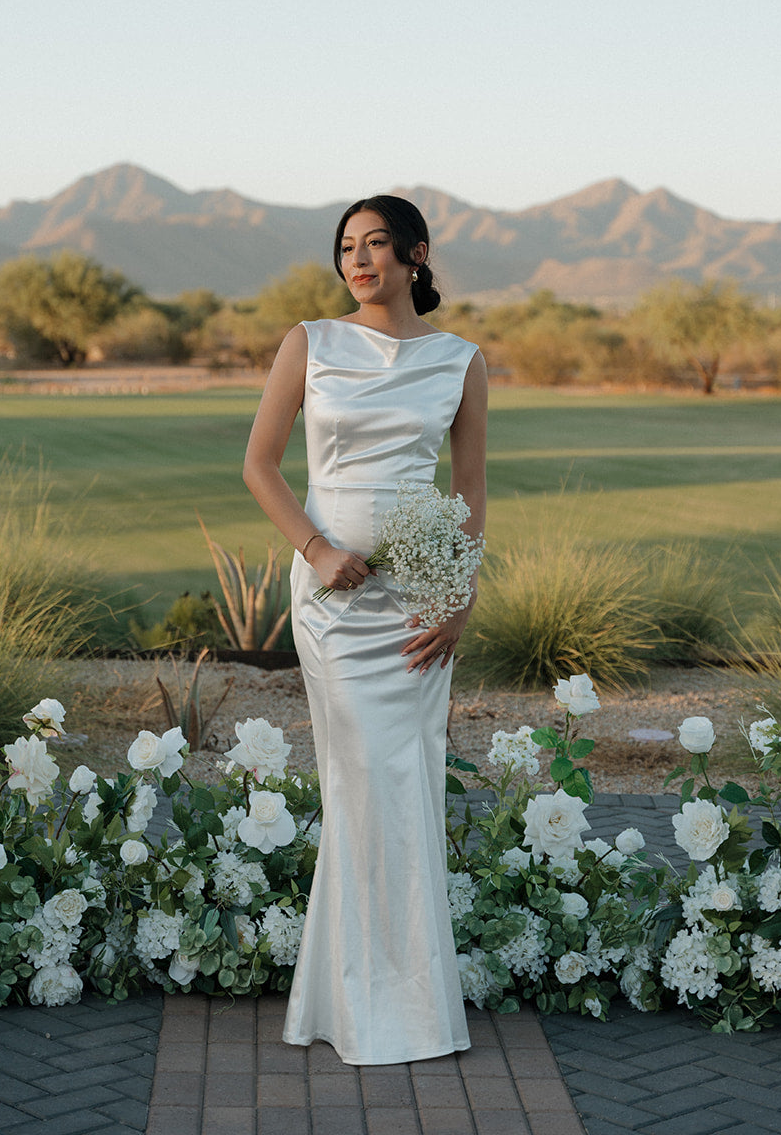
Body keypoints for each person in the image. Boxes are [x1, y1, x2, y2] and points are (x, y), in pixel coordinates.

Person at [242, 194, 488, 1065]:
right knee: (357, 784)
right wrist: (314, 549)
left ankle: (404, 1005)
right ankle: (352, 1005)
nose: (359, 259)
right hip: (338, 608)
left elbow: (466, 492)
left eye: (377, 243)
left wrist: (458, 599)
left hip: (419, 605)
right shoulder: (311, 341)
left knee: (405, 781)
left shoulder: (460, 360)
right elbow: (259, 465)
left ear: (416, 254)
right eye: (347, 246)